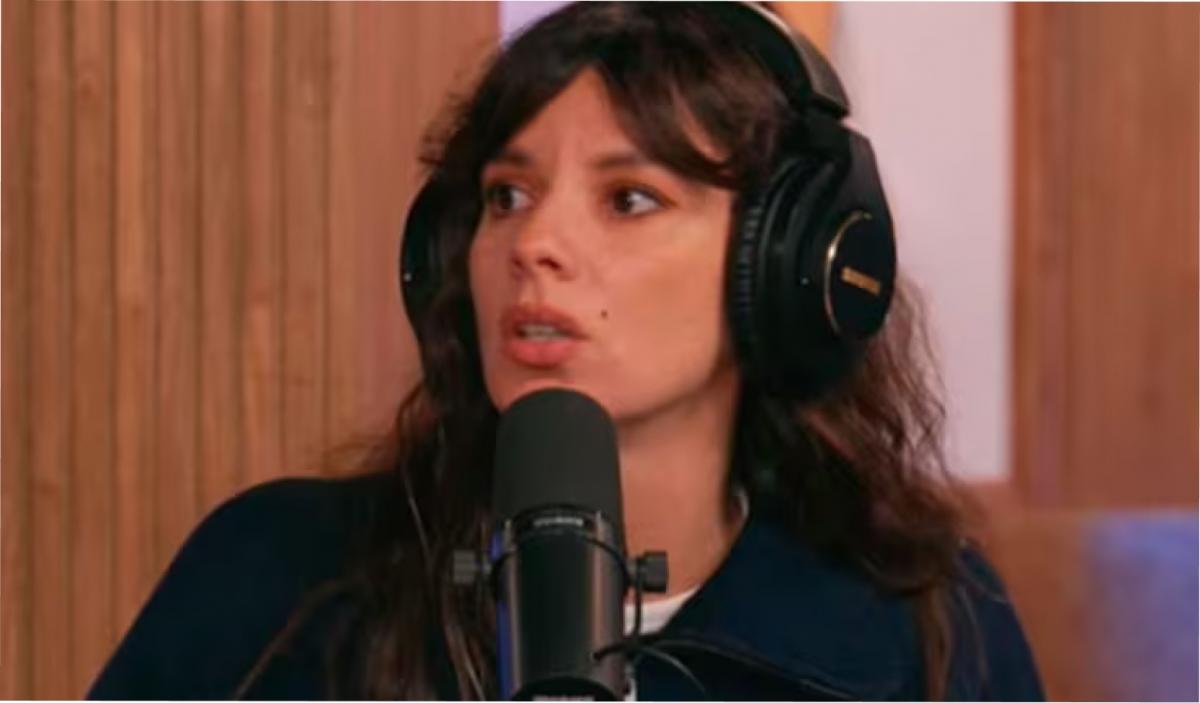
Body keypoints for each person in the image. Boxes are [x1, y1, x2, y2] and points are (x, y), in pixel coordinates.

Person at [89, 3, 1044, 700]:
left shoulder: (926, 630)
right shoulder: (273, 578)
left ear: (786, 270)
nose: (533, 243)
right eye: (506, 196)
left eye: (629, 199)